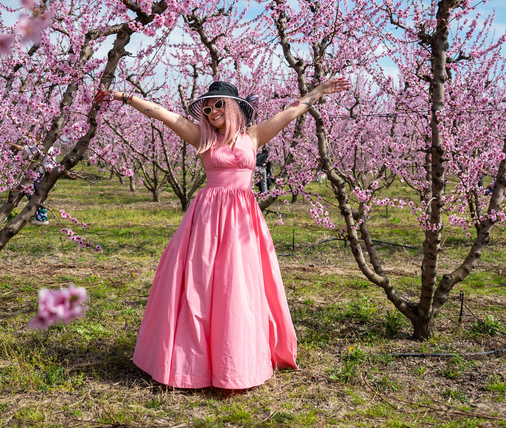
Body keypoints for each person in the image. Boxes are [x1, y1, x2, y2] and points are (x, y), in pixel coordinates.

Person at [96, 77, 351, 390]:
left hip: (242, 218)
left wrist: (317, 92)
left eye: (219, 104)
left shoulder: (254, 136)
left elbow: (290, 113)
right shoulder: (202, 137)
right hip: (206, 217)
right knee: (200, 283)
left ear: (234, 108)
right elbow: (161, 113)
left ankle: (237, 362)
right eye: (207, 107)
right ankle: (193, 364)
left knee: (238, 284)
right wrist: (123, 96)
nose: (212, 111)